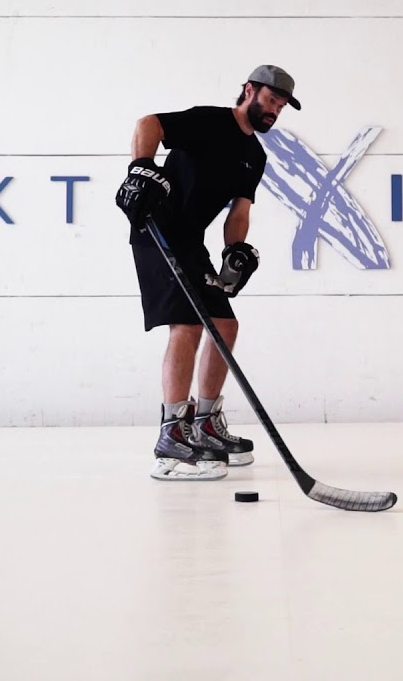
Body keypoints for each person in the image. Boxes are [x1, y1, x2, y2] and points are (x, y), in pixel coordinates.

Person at [115, 65, 301, 481]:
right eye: (271, 100)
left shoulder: (255, 156)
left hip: (191, 241)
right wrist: (141, 169)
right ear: (249, 91)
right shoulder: (210, 120)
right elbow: (149, 124)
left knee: (225, 324)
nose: (274, 111)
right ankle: (171, 437)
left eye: (282, 106)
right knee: (186, 325)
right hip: (157, 229)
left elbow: (240, 210)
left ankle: (205, 424)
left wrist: (234, 249)